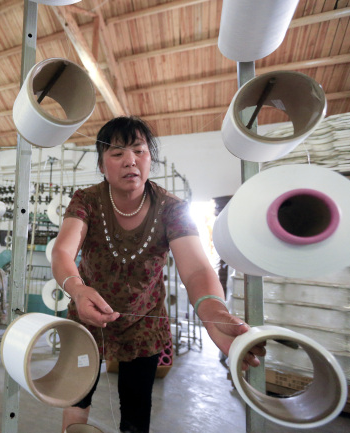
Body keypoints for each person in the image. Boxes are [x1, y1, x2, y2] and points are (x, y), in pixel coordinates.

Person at [51, 116, 264, 433]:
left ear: (150, 157)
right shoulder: (87, 201)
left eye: (139, 150)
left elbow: (196, 269)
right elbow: (63, 252)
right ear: (101, 165)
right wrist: (78, 291)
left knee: (136, 413)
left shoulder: (172, 208)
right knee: (76, 397)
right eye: (117, 153)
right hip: (87, 317)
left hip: (144, 325)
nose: (130, 161)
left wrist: (213, 314)